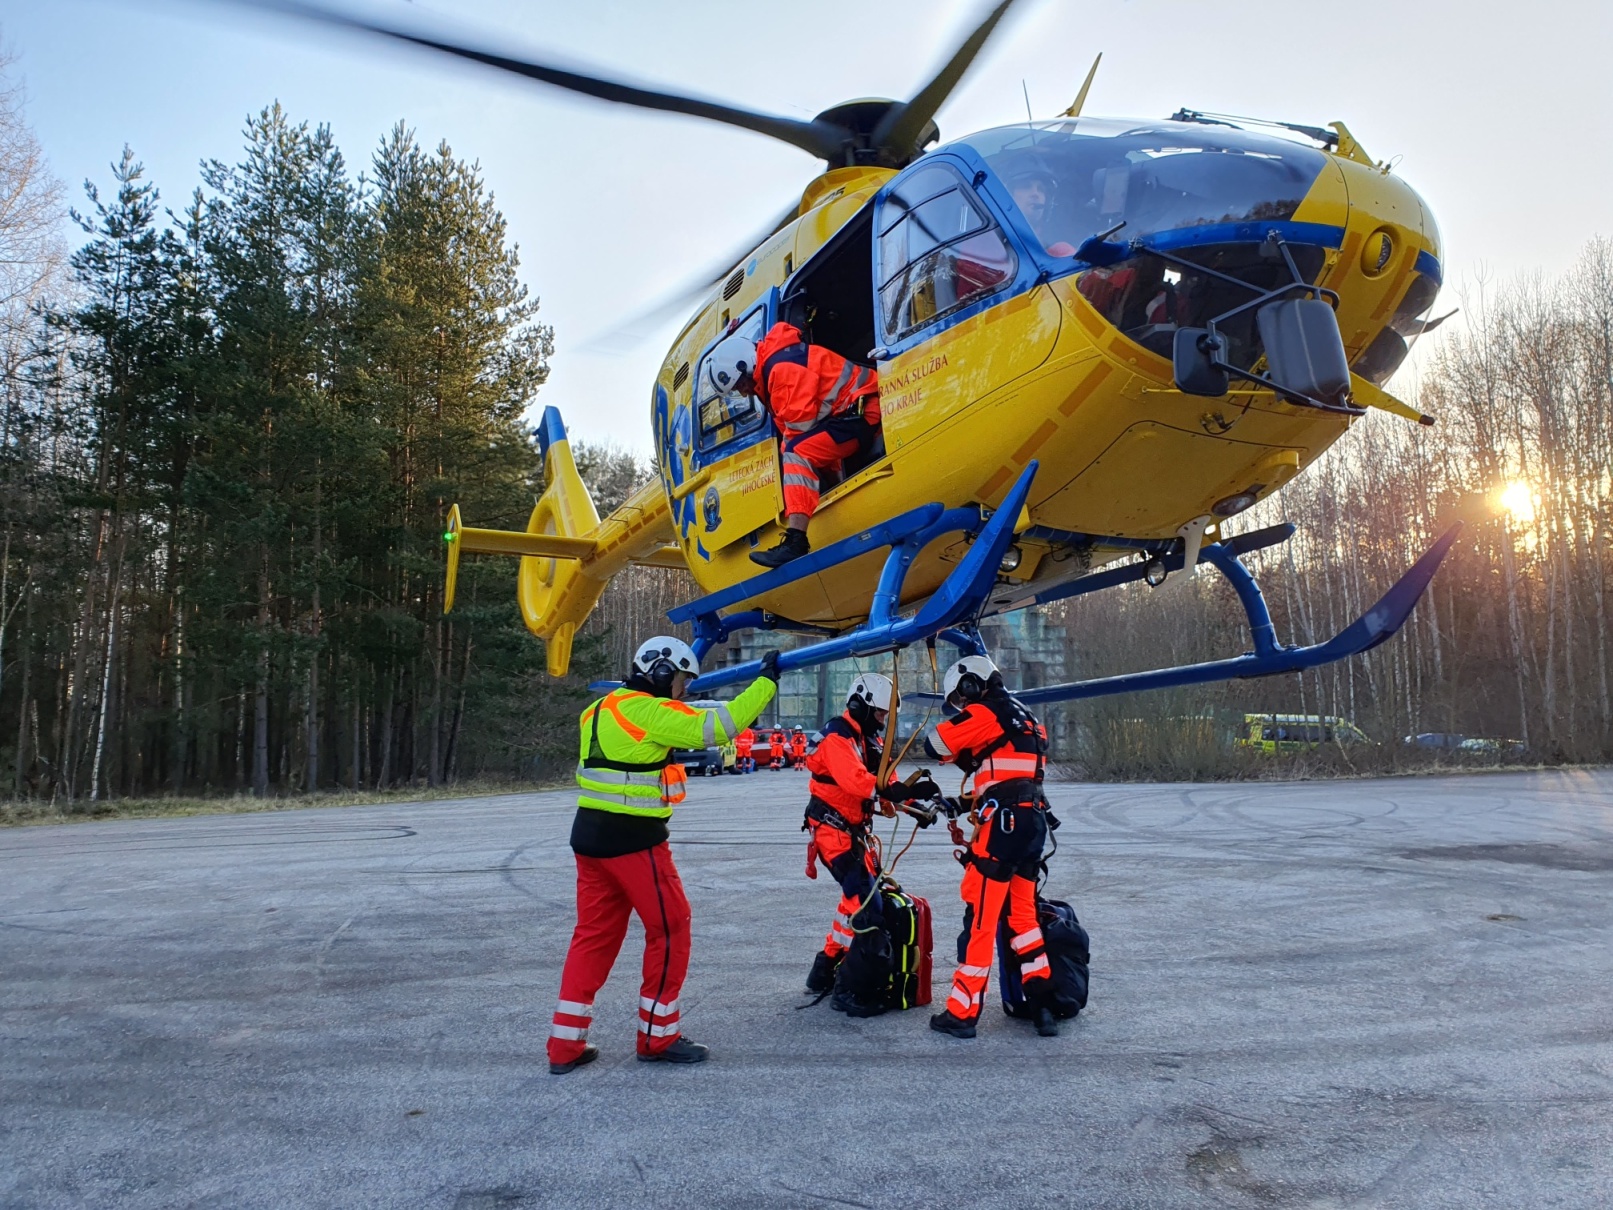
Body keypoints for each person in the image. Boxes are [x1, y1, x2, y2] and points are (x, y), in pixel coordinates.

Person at [547, 637, 780, 1074]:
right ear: (658, 672)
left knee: (592, 938)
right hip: (633, 840)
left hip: (589, 838)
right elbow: (716, 727)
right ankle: (658, 1035)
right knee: (671, 928)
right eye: (679, 681)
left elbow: (678, 726)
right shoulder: (644, 710)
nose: (683, 691)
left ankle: (565, 1046)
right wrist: (766, 681)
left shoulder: (597, 710)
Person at [921, 654, 1059, 1040]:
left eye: (960, 699)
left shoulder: (984, 710)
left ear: (970, 684)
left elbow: (936, 744)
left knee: (980, 922)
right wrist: (962, 801)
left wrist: (960, 737)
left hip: (1002, 829)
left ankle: (962, 1014)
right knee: (1024, 921)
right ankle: (1043, 1007)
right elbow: (1006, 774)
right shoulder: (1025, 716)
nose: (961, 707)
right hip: (1032, 825)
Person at [802, 674, 939, 1014]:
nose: (881, 720)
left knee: (854, 902)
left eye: (884, 715)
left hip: (853, 834)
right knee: (869, 909)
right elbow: (857, 781)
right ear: (858, 704)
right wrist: (894, 792)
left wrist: (914, 804)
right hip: (834, 834)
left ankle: (822, 973)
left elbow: (885, 783)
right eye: (878, 713)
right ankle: (849, 991)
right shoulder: (838, 736)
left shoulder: (868, 741)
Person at [704, 320, 880, 568]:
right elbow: (795, 429)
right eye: (737, 391)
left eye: (741, 385)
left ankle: (796, 541)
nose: (744, 393)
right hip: (849, 415)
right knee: (795, 449)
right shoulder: (774, 368)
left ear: (747, 365)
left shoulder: (781, 370)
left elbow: (800, 427)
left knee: (796, 453)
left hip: (863, 412)